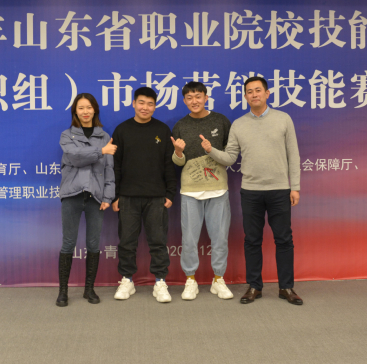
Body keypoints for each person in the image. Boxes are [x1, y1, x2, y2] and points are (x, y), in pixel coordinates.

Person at [202, 76, 303, 305]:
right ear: (245, 96)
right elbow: (230, 157)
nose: (254, 94)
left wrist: (295, 187)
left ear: (267, 93)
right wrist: (210, 150)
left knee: (284, 240)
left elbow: (293, 155)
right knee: (252, 240)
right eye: (249, 91)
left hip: (279, 190)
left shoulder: (283, 119)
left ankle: (286, 287)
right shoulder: (239, 124)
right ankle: (254, 286)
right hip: (251, 191)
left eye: (258, 90)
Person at [111, 87, 176, 303]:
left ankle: (160, 282)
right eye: (141, 102)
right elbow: (115, 166)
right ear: (133, 103)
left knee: (158, 241)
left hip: (156, 197)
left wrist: (170, 193)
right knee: (127, 242)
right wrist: (115, 196)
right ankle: (127, 280)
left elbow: (169, 164)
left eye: (150, 104)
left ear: (155, 106)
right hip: (127, 196)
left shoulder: (162, 129)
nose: (145, 107)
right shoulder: (122, 130)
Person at [170, 81, 234, 301]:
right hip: (190, 192)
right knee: (189, 240)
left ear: (206, 98)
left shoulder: (221, 121)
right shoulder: (180, 125)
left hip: (218, 190)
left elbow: (230, 156)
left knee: (220, 238)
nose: (194, 101)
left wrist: (210, 150)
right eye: (189, 98)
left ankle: (218, 279)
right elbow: (178, 162)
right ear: (184, 100)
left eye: (198, 96)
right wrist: (178, 152)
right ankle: (190, 280)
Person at [56, 93, 116, 307]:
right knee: (68, 243)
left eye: (89, 107)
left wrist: (108, 196)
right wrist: (101, 151)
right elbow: (75, 157)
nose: (85, 111)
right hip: (71, 195)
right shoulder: (66, 135)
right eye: (81, 108)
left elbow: (109, 170)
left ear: (95, 110)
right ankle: (63, 291)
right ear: (75, 111)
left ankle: (89, 289)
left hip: (95, 197)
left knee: (93, 243)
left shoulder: (104, 136)